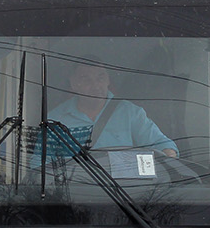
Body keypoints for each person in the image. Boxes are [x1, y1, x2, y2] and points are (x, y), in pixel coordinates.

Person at [43, 63, 176, 158]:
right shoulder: (55, 119)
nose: (95, 85)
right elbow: (40, 165)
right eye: (86, 79)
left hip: (125, 188)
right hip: (75, 189)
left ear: (108, 81)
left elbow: (164, 146)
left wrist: (168, 158)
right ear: (73, 84)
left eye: (100, 78)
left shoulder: (130, 113)